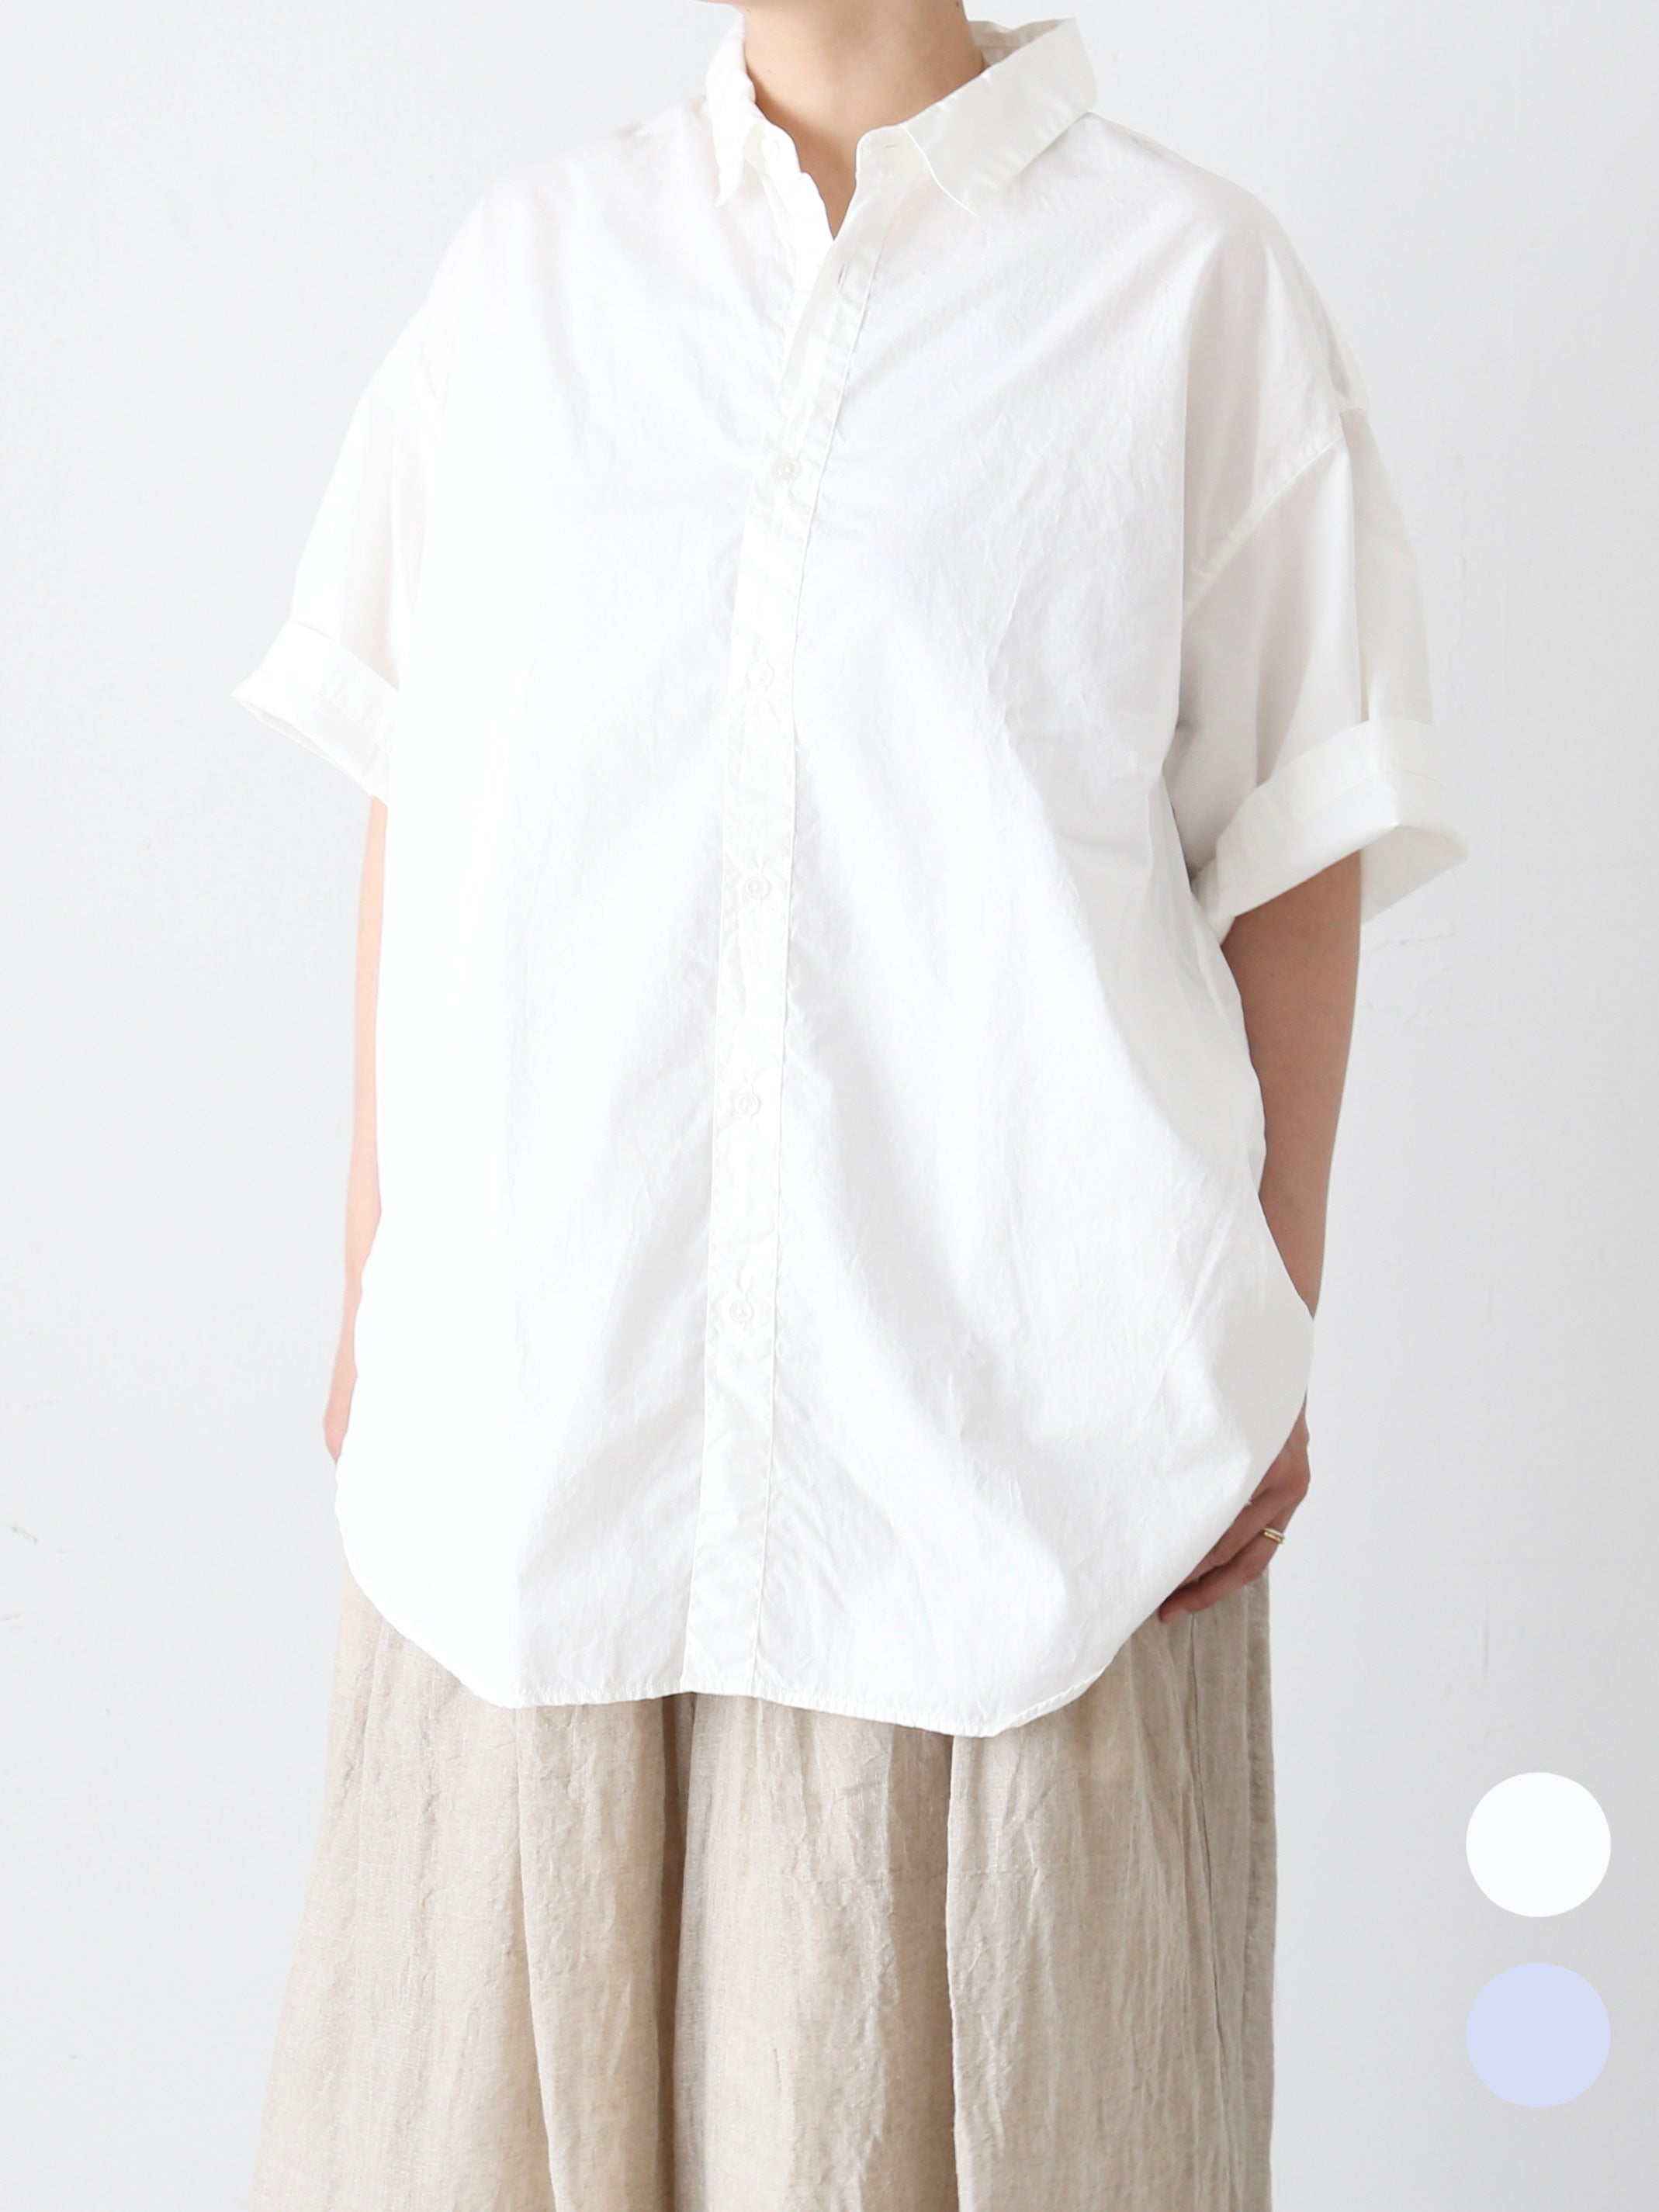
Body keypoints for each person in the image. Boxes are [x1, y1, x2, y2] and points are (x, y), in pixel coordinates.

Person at [232, 5, 1465, 2207]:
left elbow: (1296, 840)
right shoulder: (527, 272)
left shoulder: (1187, 288)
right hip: (536, 1470)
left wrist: (1266, 1317)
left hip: (1011, 1494)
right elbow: (425, 785)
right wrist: (371, 1277)